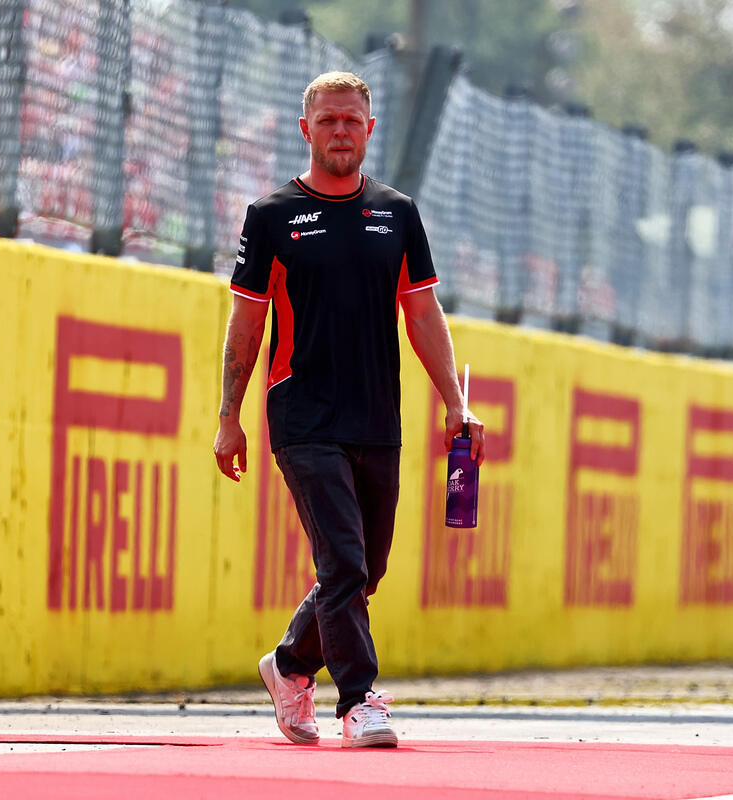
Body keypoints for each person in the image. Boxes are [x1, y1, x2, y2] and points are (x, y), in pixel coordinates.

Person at [213, 71, 486, 749]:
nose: (340, 131)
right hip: (302, 415)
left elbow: (422, 312)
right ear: (306, 130)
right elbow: (245, 324)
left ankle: (289, 663)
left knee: (368, 568)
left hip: (377, 418)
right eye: (328, 121)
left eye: (351, 121)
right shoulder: (272, 216)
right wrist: (229, 414)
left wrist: (456, 404)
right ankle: (359, 701)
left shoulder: (398, 213)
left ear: (370, 128)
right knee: (342, 561)